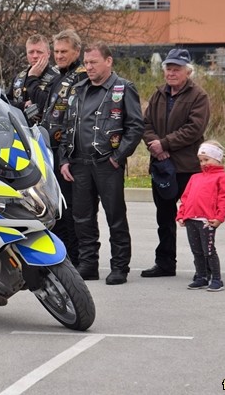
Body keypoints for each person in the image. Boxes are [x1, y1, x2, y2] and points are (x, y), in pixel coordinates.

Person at [58, 41, 144, 284]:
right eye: (86, 63)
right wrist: (65, 159)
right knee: (82, 217)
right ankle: (88, 265)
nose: (89, 67)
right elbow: (67, 126)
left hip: (108, 163)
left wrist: (118, 157)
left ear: (108, 61)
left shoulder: (124, 88)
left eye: (93, 62)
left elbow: (136, 126)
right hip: (79, 164)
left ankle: (119, 267)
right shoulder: (78, 88)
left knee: (115, 216)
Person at [141, 48, 210, 278]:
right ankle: (165, 263)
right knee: (164, 218)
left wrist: (165, 144)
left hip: (188, 168)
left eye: (176, 69)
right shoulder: (158, 94)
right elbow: (146, 124)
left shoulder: (198, 96)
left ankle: (203, 266)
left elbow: (194, 129)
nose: (171, 72)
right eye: (168, 68)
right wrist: (156, 146)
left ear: (187, 71)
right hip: (162, 167)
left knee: (194, 219)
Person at [25, 29, 87, 267]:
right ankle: (64, 257)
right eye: (57, 51)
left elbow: (72, 116)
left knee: (71, 209)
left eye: (64, 51)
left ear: (76, 51)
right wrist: (32, 80)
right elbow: (46, 105)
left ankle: (77, 258)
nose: (59, 56)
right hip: (48, 150)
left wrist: (65, 155)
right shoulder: (58, 76)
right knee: (55, 208)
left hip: (69, 152)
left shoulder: (81, 76)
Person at [177, 140, 225, 292]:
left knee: (208, 250)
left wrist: (220, 217)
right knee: (196, 251)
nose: (203, 163)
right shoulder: (195, 178)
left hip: (207, 221)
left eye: (206, 160)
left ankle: (216, 279)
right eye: (201, 160)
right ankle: (202, 277)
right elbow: (186, 197)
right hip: (191, 219)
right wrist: (181, 214)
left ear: (218, 158)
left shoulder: (223, 178)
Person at [6, 34, 58, 125]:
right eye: (31, 52)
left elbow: (45, 103)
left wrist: (32, 77)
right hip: (21, 131)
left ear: (48, 54)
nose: (35, 56)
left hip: (46, 133)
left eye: (39, 52)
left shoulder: (57, 77)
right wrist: (23, 105)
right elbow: (5, 102)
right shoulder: (19, 77)